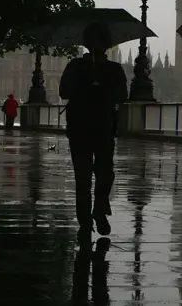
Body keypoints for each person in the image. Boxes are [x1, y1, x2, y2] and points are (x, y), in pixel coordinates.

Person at [59, 22, 128, 242]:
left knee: (95, 175)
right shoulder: (81, 67)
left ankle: (94, 213)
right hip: (93, 127)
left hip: (92, 127)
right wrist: (90, 84)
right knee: (94, 174)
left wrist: (99, 85)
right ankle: (90, 218)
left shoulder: (108, 69)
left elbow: (121, 96)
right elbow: (65, 91)